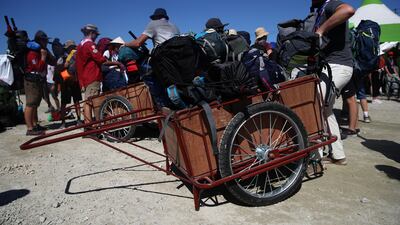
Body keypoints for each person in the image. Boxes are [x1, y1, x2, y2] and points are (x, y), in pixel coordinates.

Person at [311, 0, 355, 165]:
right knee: (326, 110)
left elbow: (349, 10)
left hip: (338, 65)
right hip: (334, 66)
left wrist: (321, 30)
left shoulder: (329, 5)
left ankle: (315, 158)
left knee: (315, 106)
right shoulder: (321, 10)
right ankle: (338, 154)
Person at [24, 30, 56, 135]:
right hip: (31, 80)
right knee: (30, 104)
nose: (46, 42)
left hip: (37, 80)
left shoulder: (38, 51)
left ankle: (34, 125)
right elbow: (38, 67)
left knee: (35, 104)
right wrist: (43, 57)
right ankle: (30, 128)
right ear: (40, 40)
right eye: (45, 40)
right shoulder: (32, 52)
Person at [76, 24, 106, 125]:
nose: (97, 37)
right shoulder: (90, 45)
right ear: (91, 33)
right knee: (93, 101)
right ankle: (94, 125)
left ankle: (88, 124)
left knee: (87, 102)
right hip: (93, 75)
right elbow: (100, 58)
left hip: (85, 77)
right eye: (96, 34)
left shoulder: (80, 45)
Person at [55, 40, 83, 128]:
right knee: (64, 103)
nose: (72, 49)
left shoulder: (77, 56)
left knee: (77, 102)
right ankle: (63, 122)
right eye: (70, 48)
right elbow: (59, 70)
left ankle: (79, 119)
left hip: (75, 82)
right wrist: (67, 77)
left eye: (72, 47)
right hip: (66, 83)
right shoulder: (62, 58)